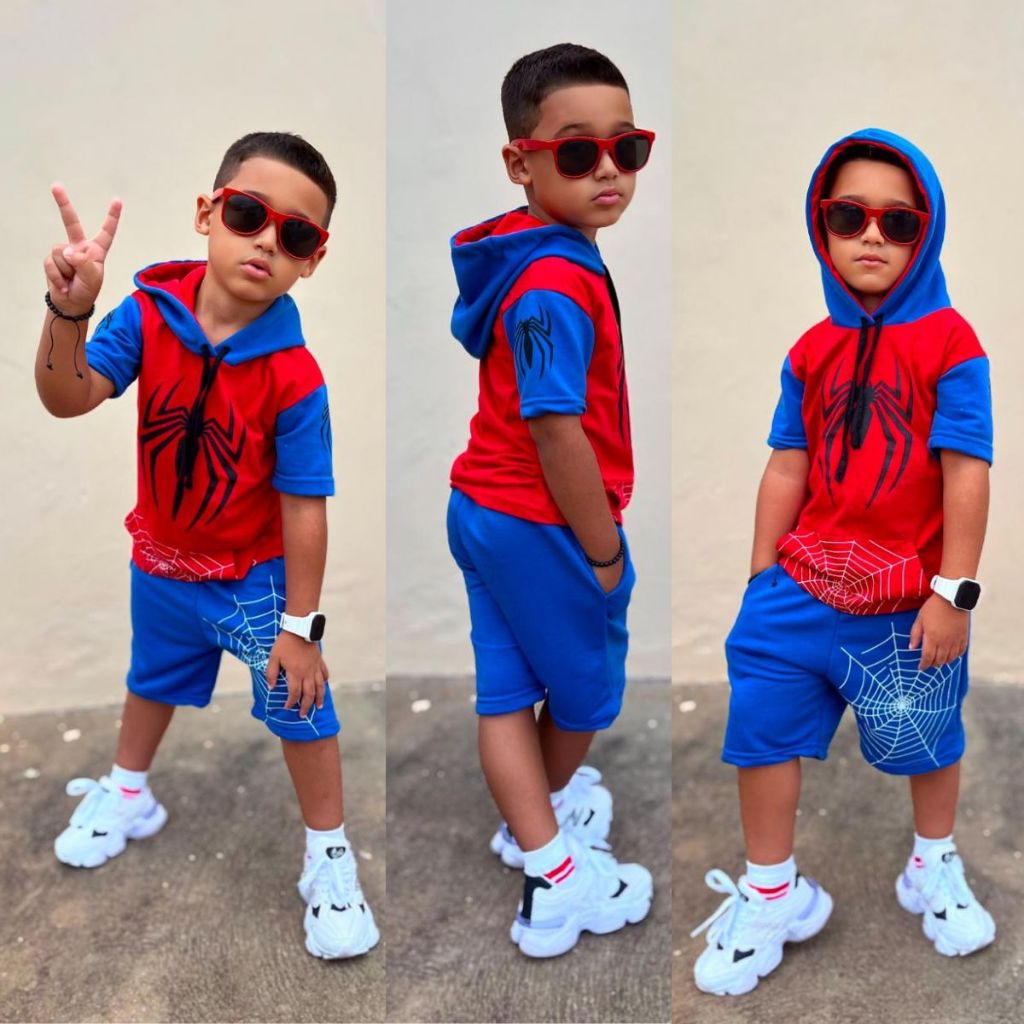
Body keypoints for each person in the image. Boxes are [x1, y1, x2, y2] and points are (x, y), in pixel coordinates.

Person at [36, 131, 378, 960]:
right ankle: (128, 792)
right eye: (249, 213)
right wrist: (69, 310)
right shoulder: (147, 314)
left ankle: (329, 854)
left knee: (302, 706)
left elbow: (305, 507)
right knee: (150, 679)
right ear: (207, 213)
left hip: (252, 581)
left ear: (314, 258)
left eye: (297, 233)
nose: (267, 240)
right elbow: (68, 396)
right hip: (160, 560)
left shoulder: (296, 376)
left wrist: (301, 627)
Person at [692, 128, 994, 995]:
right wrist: (761, 577)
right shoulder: (810, 349)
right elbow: (787, 463)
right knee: (761, 732)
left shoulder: (951, 343)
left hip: (908, 601)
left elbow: (966, 472)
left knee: (925, 738)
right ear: (819, 225)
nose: (871, 235)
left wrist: (953, 593)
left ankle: (931, 864)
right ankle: (772, 891)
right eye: (847, 215)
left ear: (926, 235)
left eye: (898, 222)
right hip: (797, 588)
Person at [446, 42, 656, 957]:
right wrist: (602, 550)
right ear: (520, 162)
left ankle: (532, 834)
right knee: (584, 690)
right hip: (540, 524)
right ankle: (556, 872)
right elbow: (555, 428)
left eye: (627, 147)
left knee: (504, 694)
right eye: (577, 151)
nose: (607, 168)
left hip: (481, 509)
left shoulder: (525, 256)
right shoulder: (553, 285)